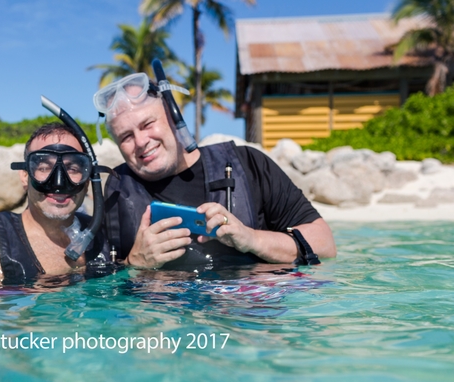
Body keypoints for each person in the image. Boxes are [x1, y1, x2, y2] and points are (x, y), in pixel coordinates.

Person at [94, 71, 337, 270]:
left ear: (173, 115)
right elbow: (99, 281)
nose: (140, 141)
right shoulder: (116, 191)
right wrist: (135, 263)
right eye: (126, 136)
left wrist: (252, 238)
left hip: (247, 320)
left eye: (147, 124)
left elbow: (325, 244)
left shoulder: (249, 164)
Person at [0, 122, 110, 282]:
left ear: (88, 180)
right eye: (44, 167)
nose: (59, 182)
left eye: (73, 168)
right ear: (25, 176)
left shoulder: (105, 240)